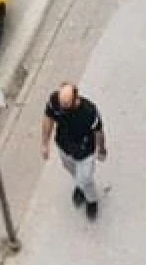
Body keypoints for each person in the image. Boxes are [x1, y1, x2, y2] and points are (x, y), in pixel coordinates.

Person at [41, 81, 106, 219]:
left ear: (76, 99)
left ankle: (92, 201)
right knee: (74, 172)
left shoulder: (90, 111)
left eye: (66, 106)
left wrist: (102, 149)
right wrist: (44, 143)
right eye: (61, 105)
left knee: (86, 179)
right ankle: (80, 186)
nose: (62, 109)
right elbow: (48, 118)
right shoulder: (55, 101)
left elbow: (99, 132)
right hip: (64, 148)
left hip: (85, 152)